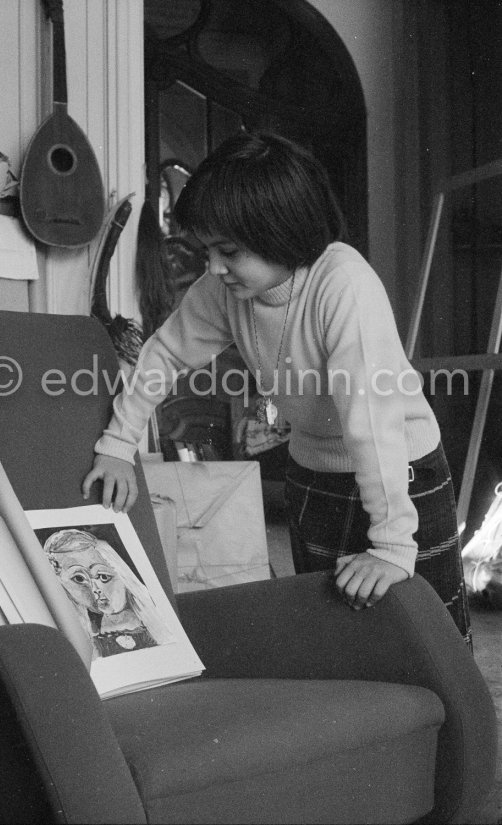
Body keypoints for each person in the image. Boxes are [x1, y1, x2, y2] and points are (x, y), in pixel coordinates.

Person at [82, 131, 471, 645]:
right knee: (332, 634)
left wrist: (395, 545)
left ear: (282, 233)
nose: (213, 267)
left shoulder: (344, 285)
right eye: (207, 251)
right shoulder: (225, 290)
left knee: (433, 638)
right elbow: (165, 352)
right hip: (313, 468)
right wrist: (116, 444)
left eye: (229, 251)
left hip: (401, 470)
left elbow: (372, 423)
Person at [43, 529, 173, 658]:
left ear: (121, 573)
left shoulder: (157, 627)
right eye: (79, 579)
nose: (95, 589)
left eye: (103, 577)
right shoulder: (86, 640)